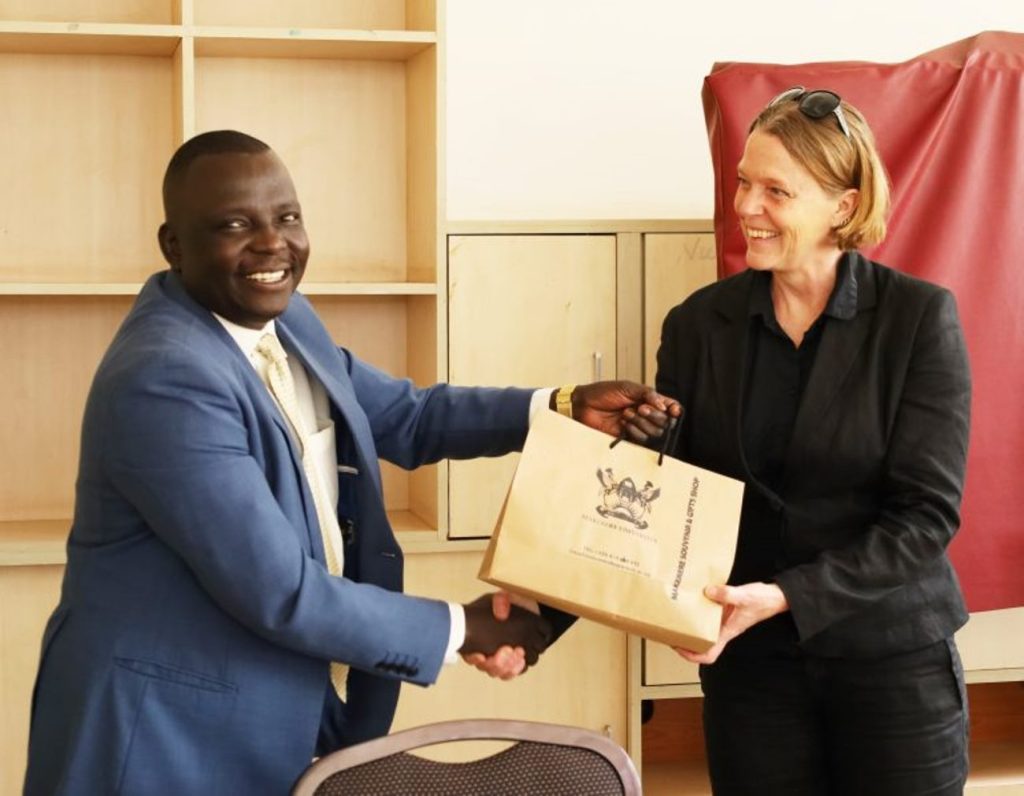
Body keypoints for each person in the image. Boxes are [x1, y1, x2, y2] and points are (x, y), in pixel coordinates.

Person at [24, 130, 680, 795]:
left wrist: (561, 406)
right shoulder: (165, 377)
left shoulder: (284, 320)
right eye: (234, 224)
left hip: (273, 703)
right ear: (174, 245)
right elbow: (282, 591)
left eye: (287, 218)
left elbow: (407, 416)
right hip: (159, 735)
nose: (272, 244)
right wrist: (462, 627)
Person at [657, 88, 971, 795]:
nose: (746, 207)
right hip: (752, 665)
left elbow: (926, 518)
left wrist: (788, 595)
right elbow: (669, 493)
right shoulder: (697, 326)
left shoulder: (919, 320)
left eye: (776, 190)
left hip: (891, 656)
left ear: (844, 206)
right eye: (743, 181)